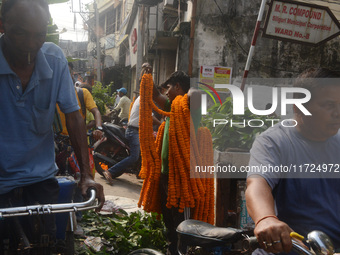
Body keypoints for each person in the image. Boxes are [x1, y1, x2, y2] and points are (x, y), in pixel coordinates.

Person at [0, 0, 104, 250]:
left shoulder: (54, 58)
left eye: (39, 35)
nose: (30, 44)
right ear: (2, 25)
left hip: (41, 179)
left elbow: (74, 116)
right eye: (20, 33)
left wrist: (87, 175)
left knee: (49, 244)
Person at [246, 68, 340, 254]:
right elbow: (257, 184)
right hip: (291, 249)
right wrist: (266, 219)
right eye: (329, 105)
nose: (337, 112)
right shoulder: (274, 142)